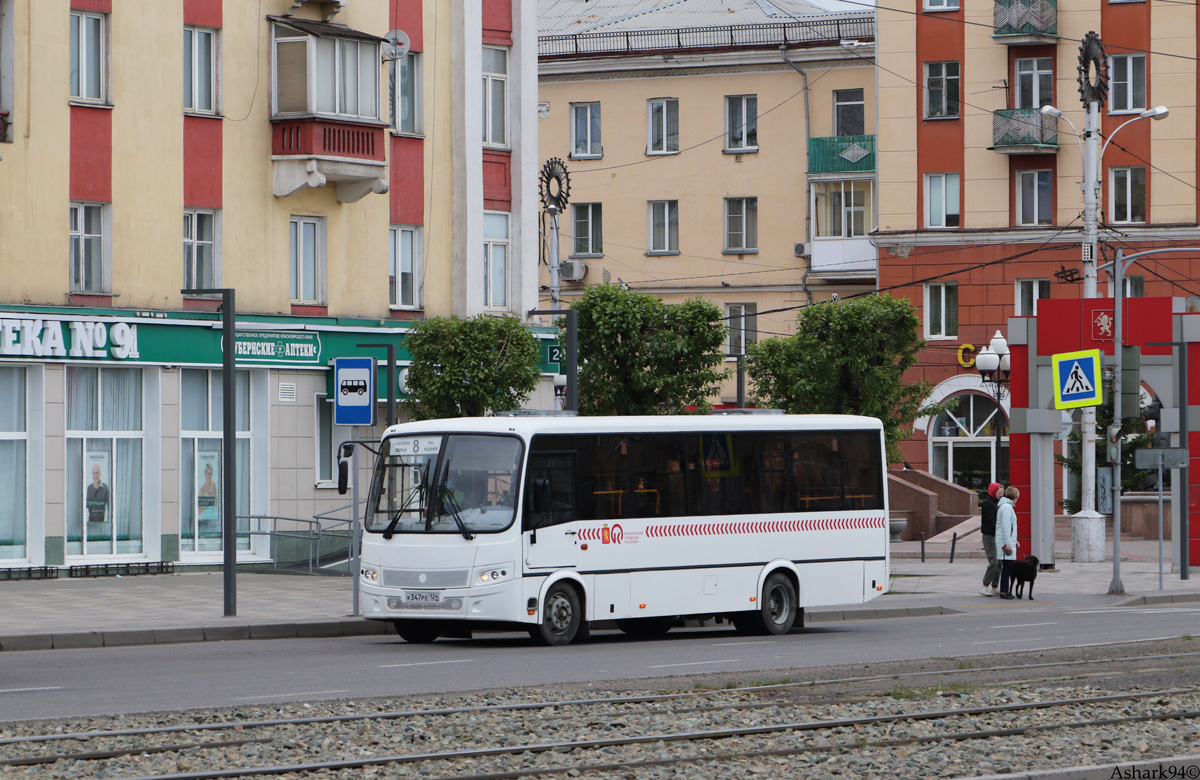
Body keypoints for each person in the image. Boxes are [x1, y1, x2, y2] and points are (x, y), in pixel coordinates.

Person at [995, 485, 1020, 600]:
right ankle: (1004, 591)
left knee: (1007, 567)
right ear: (1014, 497)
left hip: (1007, 541)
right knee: (1007, 567)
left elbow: (1009, 528)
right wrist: (1008, 543)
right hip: (1005, 543)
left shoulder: (1005, 507)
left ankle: (1005, 589)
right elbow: (1006, 527)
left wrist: (1014, 541)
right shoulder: (1006, 508)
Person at [979, 482, 1002, 596]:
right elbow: (991, 521)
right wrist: (1000, 530)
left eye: (1002, 493)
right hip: (989, 536)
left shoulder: (998, 503)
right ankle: (985, 586)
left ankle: (995, 586)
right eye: (999, 492)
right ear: (993, 491)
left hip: (996, 536)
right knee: (994, 562)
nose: (1000, 494)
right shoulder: (988, 504)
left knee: (999, 563)